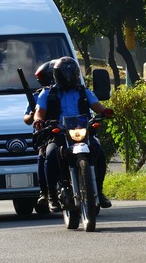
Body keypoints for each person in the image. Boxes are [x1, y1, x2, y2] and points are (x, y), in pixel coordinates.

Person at [32, 56, 113, 212]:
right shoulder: (47, 93)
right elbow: (39, 113)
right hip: (59, 133)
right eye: (65, 74)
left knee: (99, 152)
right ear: (57, 75)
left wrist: (105, 112)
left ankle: (100, 192)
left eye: (71, 74)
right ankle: (52, 197)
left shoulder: (84, 92)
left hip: (83, 131)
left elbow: (97, 106)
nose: (69, 78)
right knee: (50, 153)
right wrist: (39, 121)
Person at [23, 59, 56, 209]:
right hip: (45, 134)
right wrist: (32, 117)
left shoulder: (71, 92)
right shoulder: (39, 96)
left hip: (65, 131)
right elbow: (27, 119)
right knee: (44, 156)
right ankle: (45, 192)